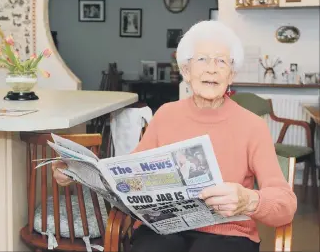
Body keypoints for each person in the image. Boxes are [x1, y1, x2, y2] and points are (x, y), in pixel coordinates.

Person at [52, 20, 297, 252]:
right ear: (186, 71)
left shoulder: (252, 126)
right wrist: (78, 172)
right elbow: (128, 177)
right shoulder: (166, 115)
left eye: (221, 61)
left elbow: (285, 206)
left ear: (231, 74)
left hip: (227, 232)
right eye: (202, 59)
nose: (211, 68)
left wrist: (249, 200)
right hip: (163, 229)